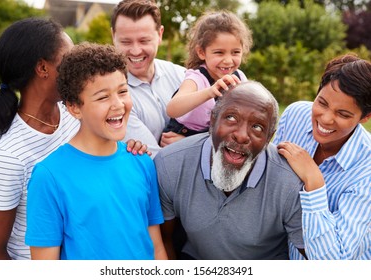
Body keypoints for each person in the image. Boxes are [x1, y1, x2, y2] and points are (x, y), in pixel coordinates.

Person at [0, 18, 147, 260]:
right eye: (67, 59)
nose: (77, 66)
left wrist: (125, 150)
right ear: (43, 68)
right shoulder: (7, 158)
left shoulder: (71, 114)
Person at [25, 43, 167, 260]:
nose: (118, 104)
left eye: (122, 91)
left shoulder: (141, 161)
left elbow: (155, 245)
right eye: (103, 97)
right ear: (74, 107)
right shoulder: (48, 176)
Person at [154, 81, 305, 259]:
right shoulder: (170, 163)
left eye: (257, 127)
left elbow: (316, 257)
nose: (241, 136)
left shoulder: (288, 183)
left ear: (268, 138)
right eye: (231, 118)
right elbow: (164, 239)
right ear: (212, 121)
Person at [273, 53, 371, 260]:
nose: (326, 119)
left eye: (343, 114)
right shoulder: (295, 115)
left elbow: (334, 262)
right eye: (322, 103)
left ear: (365, 117)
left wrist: (314, 181)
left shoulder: (367, 169)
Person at [111, 0, 186, 156]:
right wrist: (188, 146)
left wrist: (188, 141)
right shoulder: (113, 97)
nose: (136, 51)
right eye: (126, 42)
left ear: (160, 35)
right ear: (113, 36)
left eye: (144, 41)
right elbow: (157, 163)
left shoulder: (182, 76)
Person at [165, 11, 252, 136]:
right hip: (185, 133)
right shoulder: (197, 78)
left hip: (214, 136)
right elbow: (172, 109)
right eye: (219, 52)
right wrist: (209, 92)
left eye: (235, 52)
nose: (228, 60)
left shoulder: (240, 77)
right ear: (201, 52)